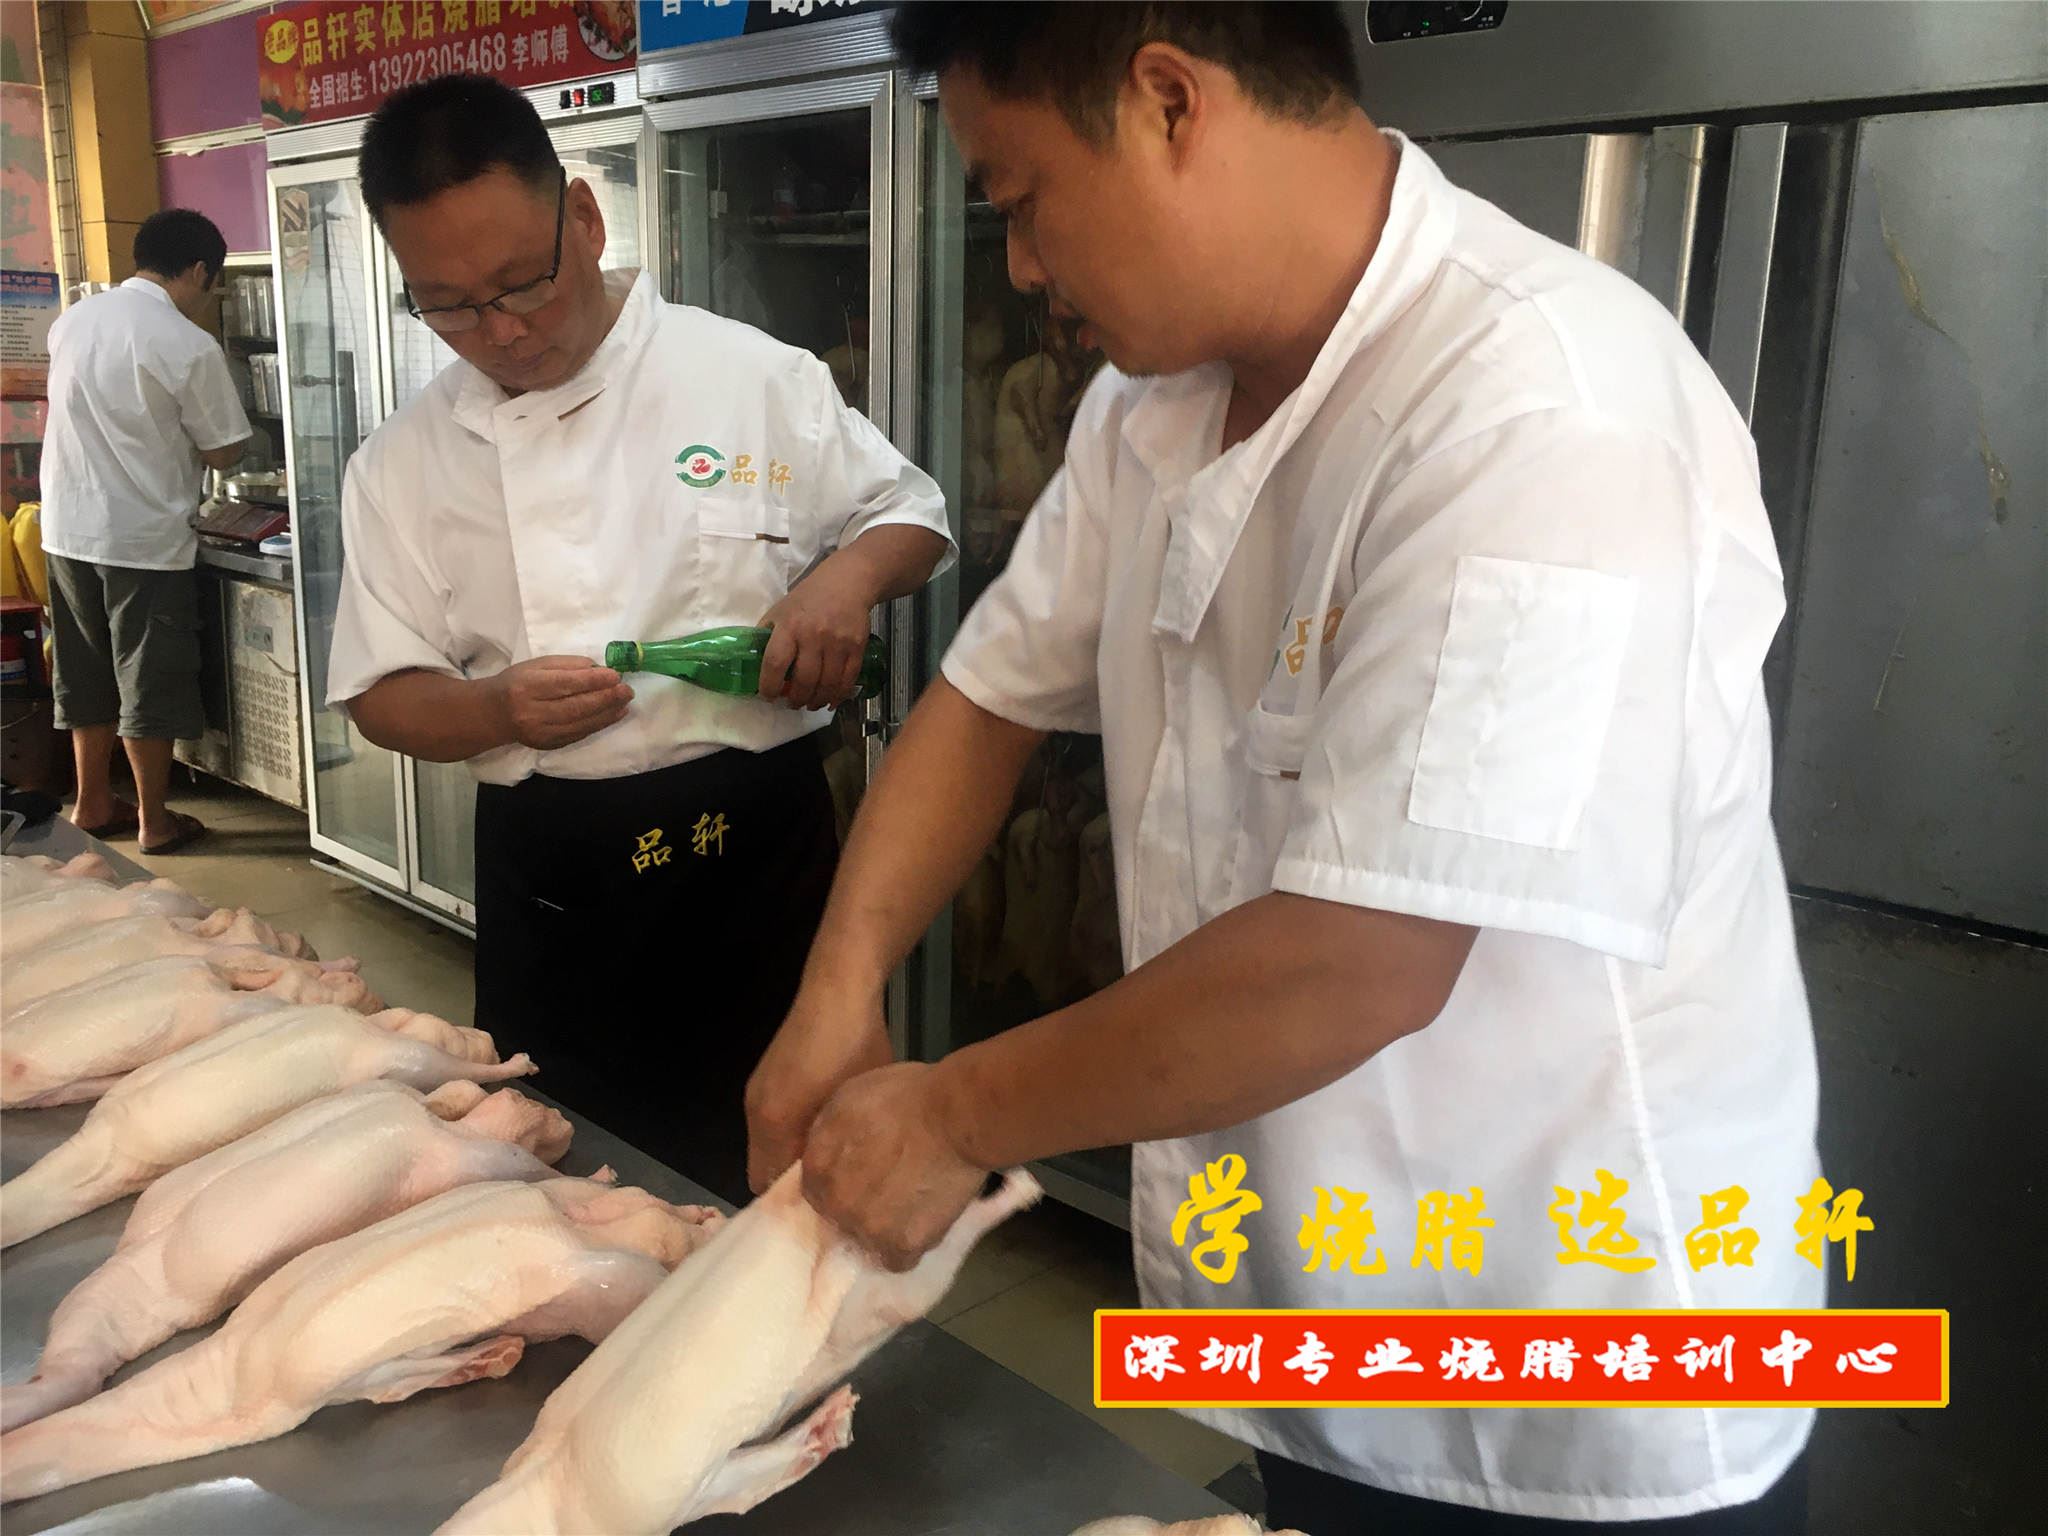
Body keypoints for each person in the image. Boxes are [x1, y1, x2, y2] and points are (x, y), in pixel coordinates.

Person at [746, 5, 1820, 1531]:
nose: (1025, 267)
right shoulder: (1153, 405)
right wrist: (840, 988)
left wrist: (949, 1118)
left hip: (1571, 1349)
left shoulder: (1539, 409)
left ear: (1169, 100)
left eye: (1024, 200)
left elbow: (1358, 963)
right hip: (1314, 1306)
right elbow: (986, 699)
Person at [326, 75, 952, 1203]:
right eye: (450, 306)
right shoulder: (402, 462)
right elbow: (380, 694)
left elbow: (912, 516)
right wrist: (492, 710)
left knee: (802, 1180)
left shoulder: (747, 377)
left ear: (583, 217)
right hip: (558, 874)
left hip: (760, 847)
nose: (501, 330)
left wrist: (845, 580)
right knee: (567, 1185)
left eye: (523, 283)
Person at [39, 209, 252, 854]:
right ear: (198, 270)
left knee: (85, 668)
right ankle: (155, 821)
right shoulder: (187, 344)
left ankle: (92, 802)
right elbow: (224, 450)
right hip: (141, 539)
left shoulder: (73, 321)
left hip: (66, 528)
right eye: (212, 284)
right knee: (148, 675)